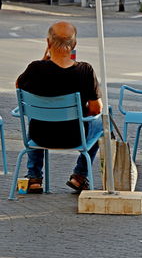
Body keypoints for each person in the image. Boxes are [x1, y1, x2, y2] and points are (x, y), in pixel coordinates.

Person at [16, 21, 103, 193]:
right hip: (75, 138)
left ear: (48, 43)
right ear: (74, 44)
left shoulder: (35, 69)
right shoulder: (85, 71)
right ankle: (79, 176)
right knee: (101, 125)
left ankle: (34, 178)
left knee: (36, 116)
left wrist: (43, 60)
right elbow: (96, 110)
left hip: (40, 138)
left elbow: (19, 86)